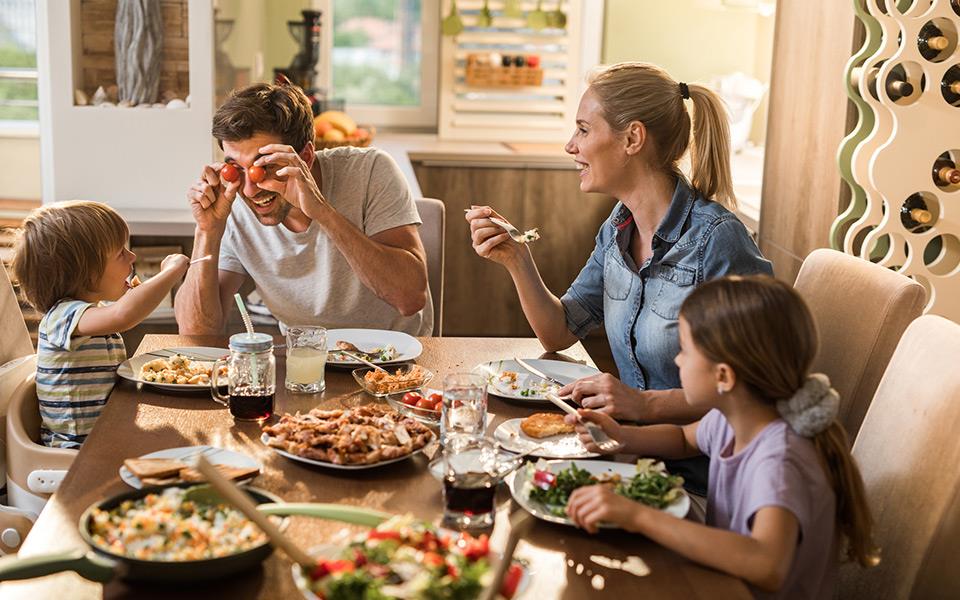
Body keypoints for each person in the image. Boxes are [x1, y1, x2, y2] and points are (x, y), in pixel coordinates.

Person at [465, 62, 772, 494]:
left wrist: (642, 403)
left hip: (707, 483)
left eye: (584, 130)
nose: (570, 146)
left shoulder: (719, 242)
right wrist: (517, 259)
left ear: (632, 138)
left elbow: (755, 387)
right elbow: (559, 331)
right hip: (630, 458)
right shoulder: (617, 229)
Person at [564, 275, 879, 598]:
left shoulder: (780, 459)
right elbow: (683, 439)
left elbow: (767, 564)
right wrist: (622, 437)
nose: (677, 359)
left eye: (685, 351)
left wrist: (638, 516)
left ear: (724, 376)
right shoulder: (737, 418)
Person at [176, 82, 431, 336]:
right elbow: (196, 332)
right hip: (303, 360)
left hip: (393, 360)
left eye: (265, 166)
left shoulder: (370, 171)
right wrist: (207, 231)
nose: (250, 190)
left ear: (306, 157)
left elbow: (409, 299)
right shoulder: (231, 202)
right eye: (236, 169)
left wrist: (321, 211)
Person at [11, 201, 189, 448]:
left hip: (108, 436)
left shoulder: (92, 314)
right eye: (120, 253)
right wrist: (170, 272)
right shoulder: (63, 317)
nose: (133, 256)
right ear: (86, 272)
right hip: (77, 451)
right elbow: (124, 315)